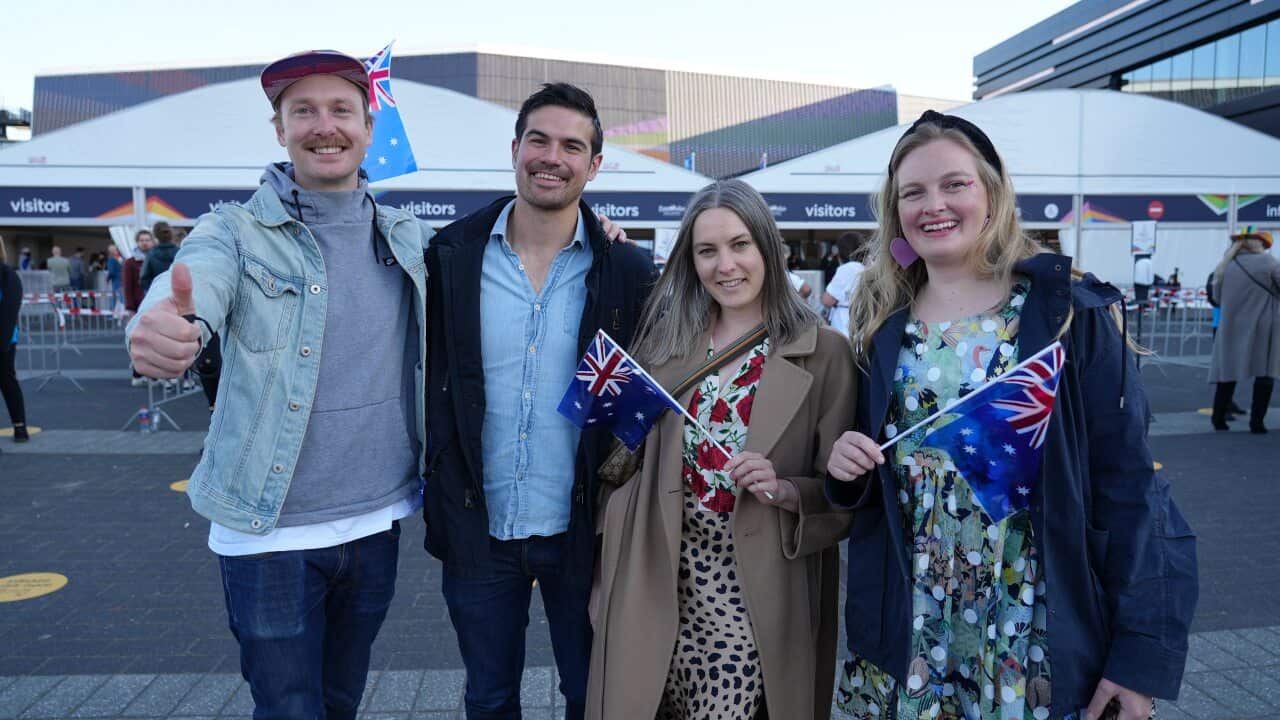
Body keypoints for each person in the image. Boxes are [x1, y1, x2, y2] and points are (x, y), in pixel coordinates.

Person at [824, 111, 1197, 720]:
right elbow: (878, 490)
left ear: (992, 194)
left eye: (954, 184)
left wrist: (1140, 660)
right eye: (911, 192)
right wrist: (848, 470)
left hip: (1030, 630)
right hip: (911, 628)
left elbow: (1130, 490)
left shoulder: (1068, 316)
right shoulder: (881, 327)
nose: (932, 204)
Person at [127, 49, 435, 719]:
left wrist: (595, 225)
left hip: (376, 523)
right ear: (279, 129)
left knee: (341, 701)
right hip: (270, 537)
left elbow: (506, 254)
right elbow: (193, 284)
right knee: (289, 709)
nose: (324, 126)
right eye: (303, 111)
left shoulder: (408, 238)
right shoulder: (232, 232)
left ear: (368, 125)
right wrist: (164, 326)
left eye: (340, 110)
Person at [423, 82, 654, 720]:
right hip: (478, 523)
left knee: (589, 695)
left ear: (594, 165)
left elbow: (637, 403)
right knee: (489, 697)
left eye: (572, 146)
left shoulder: (626, 273)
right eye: (540, 140)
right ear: (516, 148)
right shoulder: (449, 256)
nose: (553, 156)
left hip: (583, 528)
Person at [586, 179, 855, 720]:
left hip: (749, 597)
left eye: (739, 245)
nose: (724, 265)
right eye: (706, 250)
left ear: (767, 248)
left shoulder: (824, 351)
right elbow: (616, 454)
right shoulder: (663, 341)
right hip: (653, 577)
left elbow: (840, 495)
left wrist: (783, 489)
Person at [1208, 226, 1280, 433]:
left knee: (1227, 372)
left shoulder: (1226, 265)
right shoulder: (1269, 263)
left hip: (1231, 325)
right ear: (1261, 243)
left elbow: (1217, 299)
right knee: (1265, 375)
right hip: (1265, 326)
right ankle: (1257, 422)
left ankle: (1218, 418)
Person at [0, 237, 29, 443]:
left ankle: (20, 426)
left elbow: (10, 311)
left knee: (7, 381)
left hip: (4, 338)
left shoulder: (7, 275)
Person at [821, 232, 866, 338]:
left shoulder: (847, 269)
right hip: (861, 322)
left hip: (844, 324)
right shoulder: (866, 267)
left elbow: (827, 300)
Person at [140, 222, 179, 293]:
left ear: (155, 235)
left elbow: (144, 278)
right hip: (177, 294)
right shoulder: (180, 252)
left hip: (157, 294)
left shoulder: (151, 254)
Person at [123, 230, 153, 315]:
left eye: (147, 240)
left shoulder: (157, 260)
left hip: (156, 302)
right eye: (142, 240)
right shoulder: (130, 263)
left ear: (152, 242)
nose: (144, 243)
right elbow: (127, 285)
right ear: (137, 242)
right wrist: (130, 306)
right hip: (139, 304)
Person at [106, 245, 124, 311]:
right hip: (122, 281)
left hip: (116, 282)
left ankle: (111, 314)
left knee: (114, 299)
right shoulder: (121, 259)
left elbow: (111, 272)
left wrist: (107, 279)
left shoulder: (111, 260)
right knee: (122, 299)